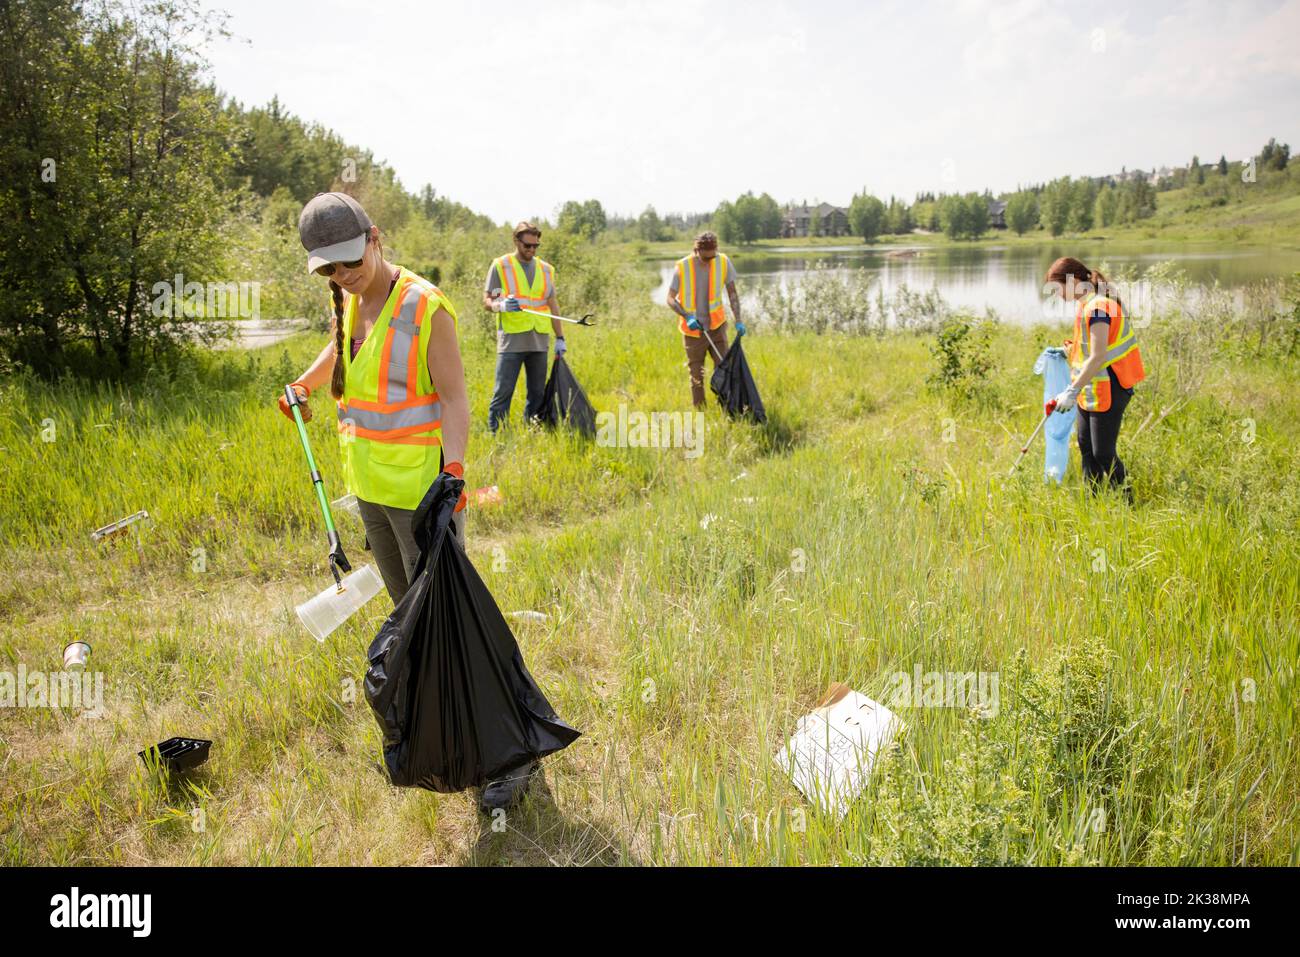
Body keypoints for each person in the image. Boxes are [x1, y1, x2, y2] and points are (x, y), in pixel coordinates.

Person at [277, 191, 469, 605]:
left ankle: (449, 673)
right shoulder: (347, 299)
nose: (343, 274)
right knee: (403, 604)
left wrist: (453, 473)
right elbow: (342, 349)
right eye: (329, 267)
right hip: (369, 486)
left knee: (437, 607)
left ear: (374, 239)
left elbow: (455, 399)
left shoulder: (424, 305)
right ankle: (414, 673)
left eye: (351, 260)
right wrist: (304, 384)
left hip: (420, 492)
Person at [1043, 256, 1146, 501]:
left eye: (1058, 289)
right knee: (1087, 449)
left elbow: (1099, 356)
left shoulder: (1099, 308)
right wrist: (1068, 350)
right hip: (1091, 389)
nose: (1058, 295)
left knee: (1104, 454)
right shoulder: (1087, 306)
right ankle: (1095, 504)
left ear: (1074, 280)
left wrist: (1071, 390)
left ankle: (1128, 504)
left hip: (1111, 386)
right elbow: (1090, 348)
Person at [483, 221, 565, 432]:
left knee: (537, 393)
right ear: (516, 241)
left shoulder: (546, 270)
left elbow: (553, 305)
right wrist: (500, 305)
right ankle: (497, 435)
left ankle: (533, 430)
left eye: (535, 246)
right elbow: (487, 301)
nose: (531, 250)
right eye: (527, 245)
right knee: (503, 391)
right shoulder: (501, 266)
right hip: (511, 340)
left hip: (539, 340)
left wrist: (560, 338)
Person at [666, 231, 745, 407]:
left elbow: (732, 292)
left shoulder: (723, 261)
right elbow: (670, 298)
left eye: (713, 256)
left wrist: (738, 319)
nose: (710, 260)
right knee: (696, 375)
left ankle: (727, 408)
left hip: (717, 328)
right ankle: (701, 413)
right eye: (706, 257)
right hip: (693, 333)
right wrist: (687, 316)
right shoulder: (682, 266)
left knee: (724, 370)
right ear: (696, 250)